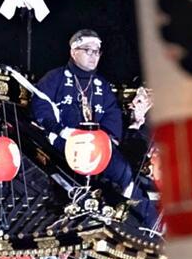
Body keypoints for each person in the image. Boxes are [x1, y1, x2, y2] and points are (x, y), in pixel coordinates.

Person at [30, 29, 158, 228]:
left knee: (122, 169)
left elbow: (111, 112)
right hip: (66, 140)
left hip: (97, 143)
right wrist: (62, 131)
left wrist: (108, 138)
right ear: (73, 51)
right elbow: (41, 105)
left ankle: (149, 223)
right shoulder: (55, 78)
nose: (93, 55)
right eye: (88, 50)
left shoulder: (101, 84)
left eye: (97, 51)